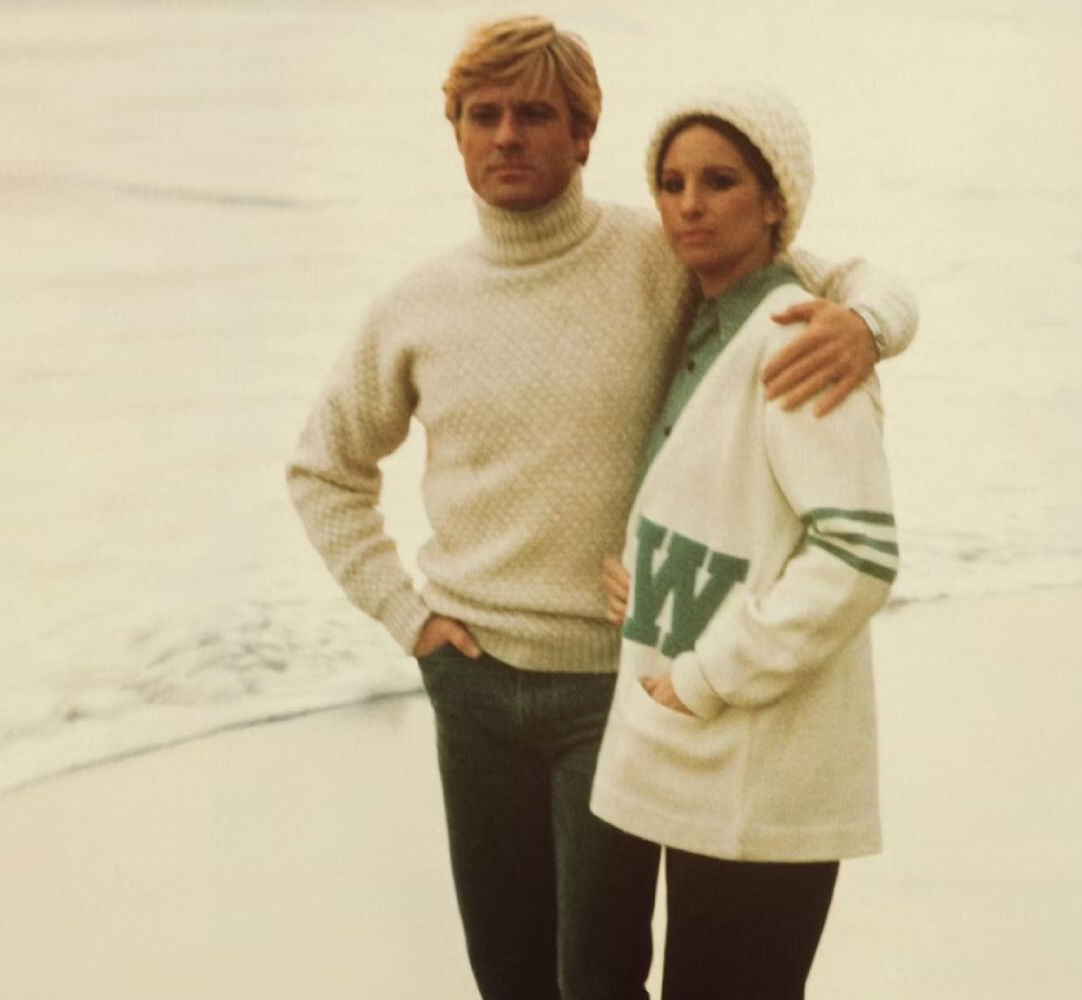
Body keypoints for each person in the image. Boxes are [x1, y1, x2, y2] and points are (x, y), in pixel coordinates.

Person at [286, 17, 918, 1000]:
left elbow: (822, 278)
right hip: (473, 687)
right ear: (452, 130)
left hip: (611, 695)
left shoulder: (660, 251)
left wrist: (868, 325)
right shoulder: (414, 307)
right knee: (507, 977)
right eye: (482, 115)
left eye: (534, 114)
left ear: (582, 135)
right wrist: (404, 615)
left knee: (598, 979)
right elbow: (322, 468)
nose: (506, 137)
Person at [590, 83, 897, 1000]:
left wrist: (701, 675)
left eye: (719, 181)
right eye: (671, 182)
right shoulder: (704, 321)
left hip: (766, 756)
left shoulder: (796, 336)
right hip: (709, 752)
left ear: (774, 204)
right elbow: (722, 505)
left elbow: (856, 554)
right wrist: (651, 582)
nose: (689, 204)